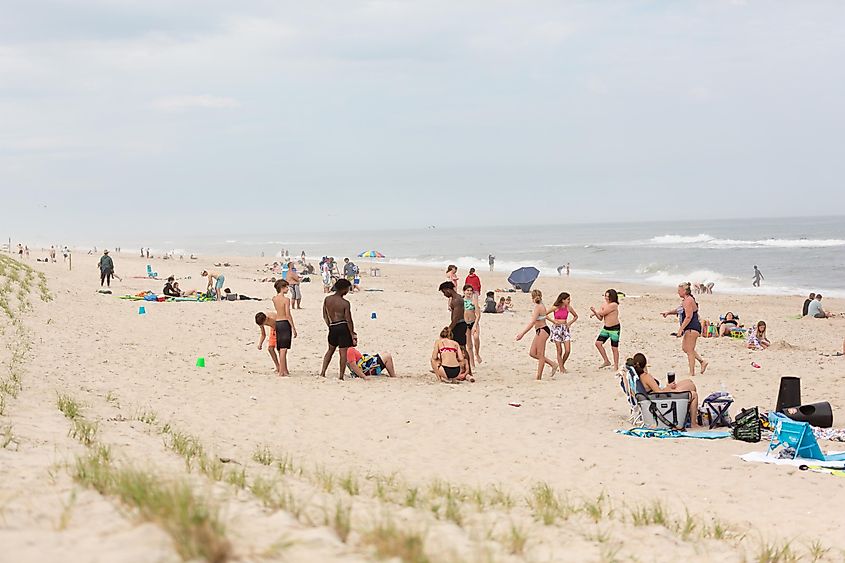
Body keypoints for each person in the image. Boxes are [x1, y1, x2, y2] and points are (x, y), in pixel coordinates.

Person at [626, 353, 700, 428]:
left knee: (689, 382)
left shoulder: (638, 377)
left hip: (655, 397)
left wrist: (668, 387)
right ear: (645, 364)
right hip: (662, 399)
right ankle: (693, 423)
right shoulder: (646, 377)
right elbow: (659, 393)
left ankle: (685, 413)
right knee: (693, 394)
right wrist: (668, 387)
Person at [515, 289, 558, 380]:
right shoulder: (541, 305)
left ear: (533, 298)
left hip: (543, 330)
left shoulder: (538, 307)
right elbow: (545, 316)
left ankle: (539, 377)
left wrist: (522, 334)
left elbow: (532, 322)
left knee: (540, 354)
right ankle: (552, 364)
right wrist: (553, 321)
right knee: (532, 353)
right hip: (540, 330)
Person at [320, 278, 355, 379]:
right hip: (343, 327)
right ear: (344, 289)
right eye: (348, 289)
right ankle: (341, 376)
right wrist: (352, 333)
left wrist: (329, 325)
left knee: (330, 350)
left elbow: (325, 315)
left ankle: (323, 372)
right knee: (343, 353)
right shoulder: (345, 303)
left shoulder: (327, 299)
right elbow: (349, 319)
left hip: (332, 326)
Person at [438, 281, 472, 380]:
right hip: (458, 325)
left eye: (444, 292)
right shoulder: (455, 299)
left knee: (462, 348)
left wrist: (449, 329)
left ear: (448, 290)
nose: (444, 295)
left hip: (459, 325)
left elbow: (456, 317)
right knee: (457, 348)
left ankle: (469, 371)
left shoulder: (457, 300)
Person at [676, 282, 708, 376]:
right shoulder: (686, 300)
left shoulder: (688, 300)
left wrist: (680, 329)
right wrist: (668, 313)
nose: (678, 292)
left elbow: (689, 317)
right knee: (685, 348)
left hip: (692, 327)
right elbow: (679, 310)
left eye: (679, 290)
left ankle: (692, 372)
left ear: (684, 291)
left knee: (689, 350)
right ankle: (702, 361)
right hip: (689, 327)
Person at [547, 292, 578, 374]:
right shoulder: (555, 307)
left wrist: (569, 323)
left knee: (567, 350)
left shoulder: (568, 308)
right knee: (559, 350)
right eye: (568, 299)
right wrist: (553, 321)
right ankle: (561, 368)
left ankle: (561, 365)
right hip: (557, 329)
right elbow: (544, 314)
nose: (569, 300)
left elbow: (576, 316)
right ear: (563, 300)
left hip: (565, 329)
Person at [271, 279, 297, 376]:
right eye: (286, 287)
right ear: (282, 288)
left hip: (278, 322)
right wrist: (293, 327)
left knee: (280, 347)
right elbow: (288, 314)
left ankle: (284, 370)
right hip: (285, 323)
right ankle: (281, 371)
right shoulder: (286, 300)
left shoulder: (274, 299)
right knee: (284, 349)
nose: (288, 289)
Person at [591, 289, 621, 370]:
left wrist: (594, 312)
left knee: (614, 348)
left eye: (608, 296)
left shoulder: (614, 305)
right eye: (606, 296)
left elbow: (603, 313)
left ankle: (616, 366)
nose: (606, 298)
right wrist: (596, 313)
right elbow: (600, 317)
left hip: (615, 328)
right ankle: (606, 361)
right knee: (598, 343)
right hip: (606, 328)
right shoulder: (604, 304)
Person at [463, 284, 482, 365]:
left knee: (476, 337)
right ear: (464, 291)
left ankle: (477, 353)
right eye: (467, 290)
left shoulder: (474, 301)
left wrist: (475, 325)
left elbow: (478, 314)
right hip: (465, 323)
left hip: (474, 322)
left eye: (471, 291)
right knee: (469, 345)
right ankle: (472, 363)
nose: (469, 292)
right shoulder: (461, 300)